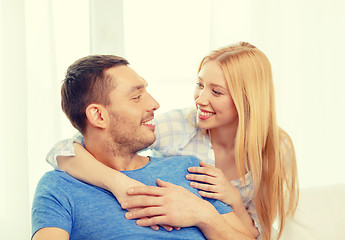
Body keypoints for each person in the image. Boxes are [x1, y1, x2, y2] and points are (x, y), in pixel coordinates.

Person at [46, 42, 299, 239]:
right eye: (199, 85)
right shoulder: (176, 127)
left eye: (216, 91)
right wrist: (119, 183)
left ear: (247, 101)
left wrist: (229, 199)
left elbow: (255, 233)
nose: (200, 99)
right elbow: (81, 144)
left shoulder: (276, 149)